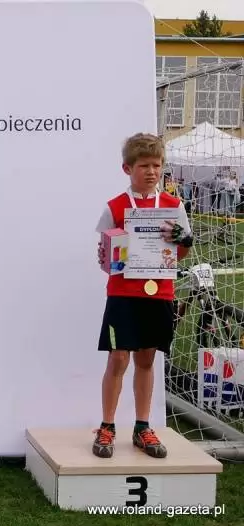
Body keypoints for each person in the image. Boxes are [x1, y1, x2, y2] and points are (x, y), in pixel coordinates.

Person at [94, 133, 193, 458]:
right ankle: (107, 426)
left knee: (147, 359)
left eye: (157, 165)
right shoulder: (115, 206)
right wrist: (105, 257)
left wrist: (183, 240)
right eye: (144, 166)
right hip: (123, 293)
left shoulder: (174, 206)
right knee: (118, 358)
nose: (152, 172)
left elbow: (179, 254)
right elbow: (106, 256)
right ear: (127, 168)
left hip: (159, 293)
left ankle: (142, 426)